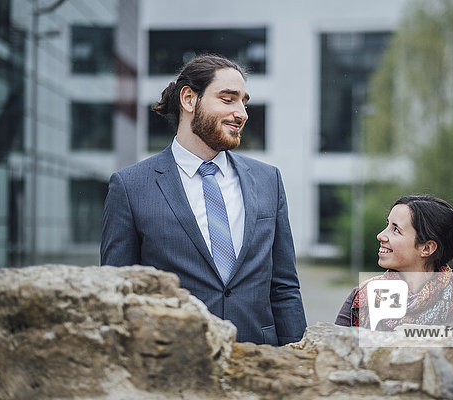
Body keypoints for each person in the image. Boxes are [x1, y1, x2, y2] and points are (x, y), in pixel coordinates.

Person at [101, 54, 306, 345]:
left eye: (244, 102)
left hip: (261, 366)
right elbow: (117, 292)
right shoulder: (130, 186)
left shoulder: (268, 180)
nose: (242, 113)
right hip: (173, 367)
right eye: (228, 99)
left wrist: (297, 363)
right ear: (188, 99)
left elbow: (284, 288)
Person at [335, 195, 453, 330]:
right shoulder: (362, 298)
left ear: (427, 248)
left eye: (396, 230)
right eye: (387, 225)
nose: (380, 236)